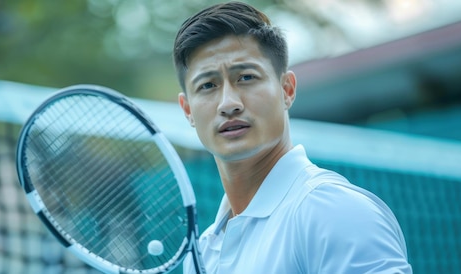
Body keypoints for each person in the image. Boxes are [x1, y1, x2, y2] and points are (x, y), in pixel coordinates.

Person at [172, 2, 412, 273]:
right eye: (207, 85)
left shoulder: (331, 211)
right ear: (188, 110)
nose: (229, 103)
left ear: (287, 89)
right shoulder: (203, 253)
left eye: (246, 77)